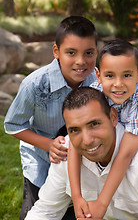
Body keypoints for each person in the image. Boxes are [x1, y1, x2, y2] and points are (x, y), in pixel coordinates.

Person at [4, 16, 98, 220]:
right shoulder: (35, 84)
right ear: (56, 51)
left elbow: (136, 82)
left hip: (80, 164)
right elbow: (12, 124)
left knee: (74, 211)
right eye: (71, 53)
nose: (81, 61)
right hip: (40, 161)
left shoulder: (98, 79)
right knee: (40, 211)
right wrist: (47, 144)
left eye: (89, 53)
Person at [25, 87, 138, 220]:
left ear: (113, 118)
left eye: (94, 124)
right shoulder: (65, 152)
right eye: (74, 130)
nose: (87, 141)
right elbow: (45, 212)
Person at [68, 39, 138, 219]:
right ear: (99, 76)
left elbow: (126, 154)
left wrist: (102, 203)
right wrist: (77, 196)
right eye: (110, 76)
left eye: (126, 75)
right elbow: (73, 146)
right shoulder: (94, 92)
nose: (118, 84)